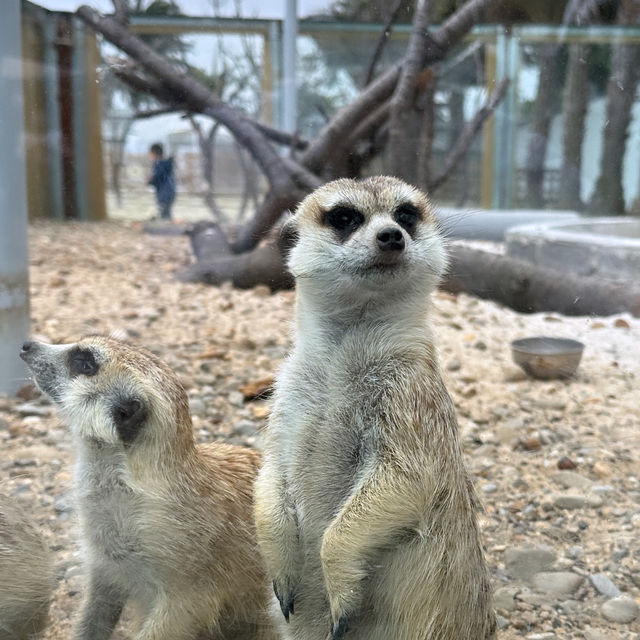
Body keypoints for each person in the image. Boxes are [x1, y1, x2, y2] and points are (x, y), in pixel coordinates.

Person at [148, 142, 176, 220]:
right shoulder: (165, 164)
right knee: (166, 213)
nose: (150, 156)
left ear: (154, 153)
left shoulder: (159, 164)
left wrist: (150, 181)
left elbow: (158, 178)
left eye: (151, 154)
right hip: (169, 192)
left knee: (164, 215)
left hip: (164, 194)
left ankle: (166, 229)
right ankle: (167, 227)